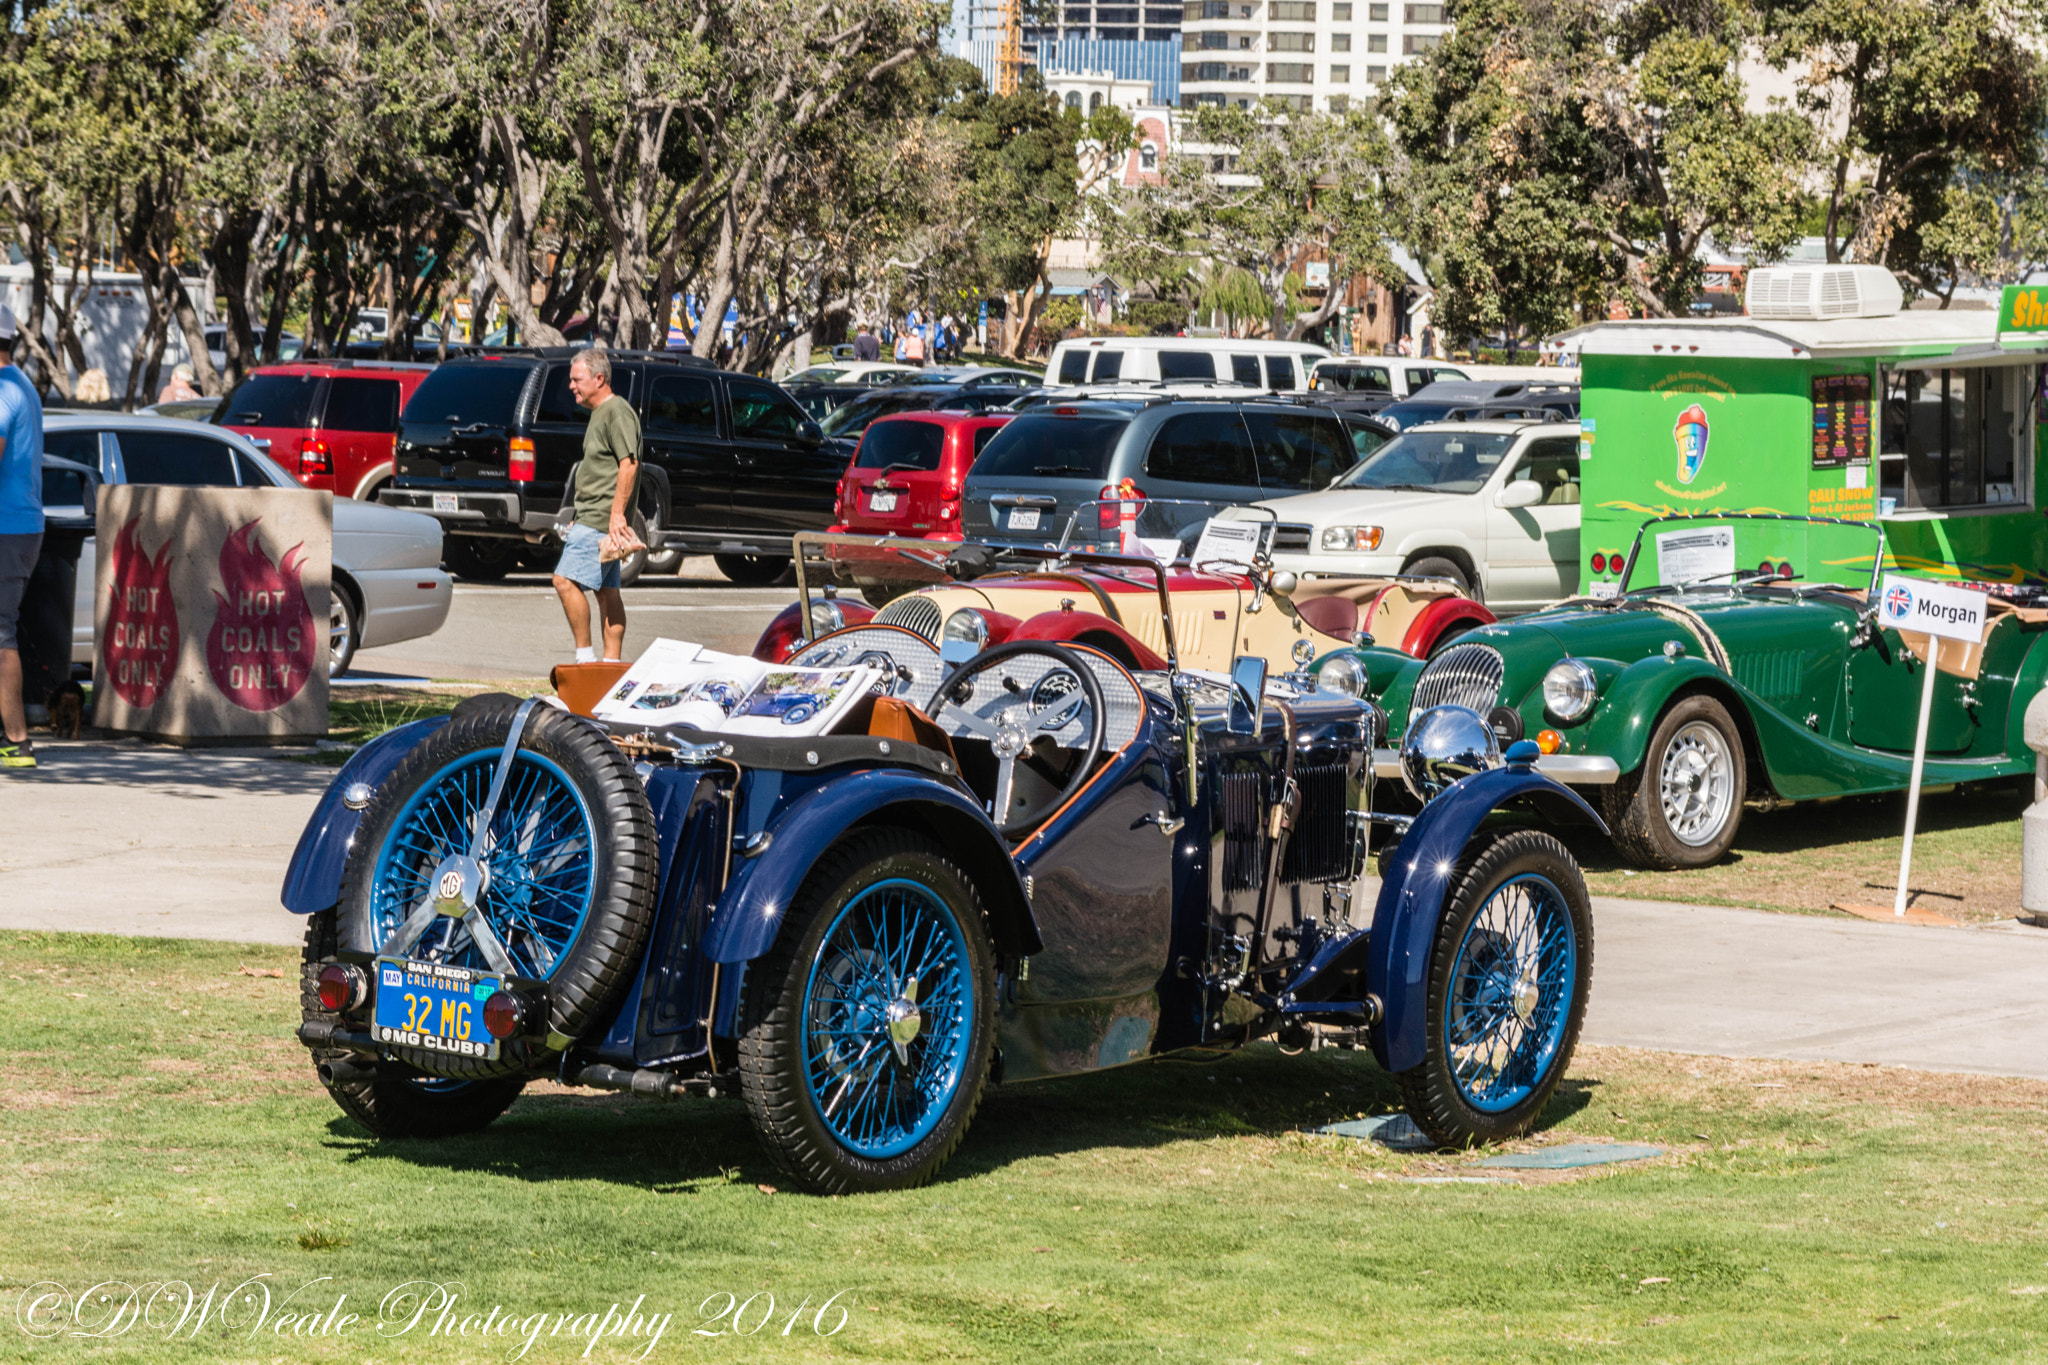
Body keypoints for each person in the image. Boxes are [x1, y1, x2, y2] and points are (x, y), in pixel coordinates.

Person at [551, 350, 638, 664]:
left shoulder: (617, 411)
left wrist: (615, 516)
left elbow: (629, 464)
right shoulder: (600, 413)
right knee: (606, 592)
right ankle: (611, 665)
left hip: (602, 518)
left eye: (577, 379)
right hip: (595, 516)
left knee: (564, 580)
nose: (572, 385)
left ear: (599, 378)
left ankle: (585, 660)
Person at [0, 306, 44, 768]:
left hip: (6, 528)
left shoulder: (2, 392)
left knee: (1, 633)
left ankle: (17, 740)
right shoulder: (23, 386)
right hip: (20, 525)